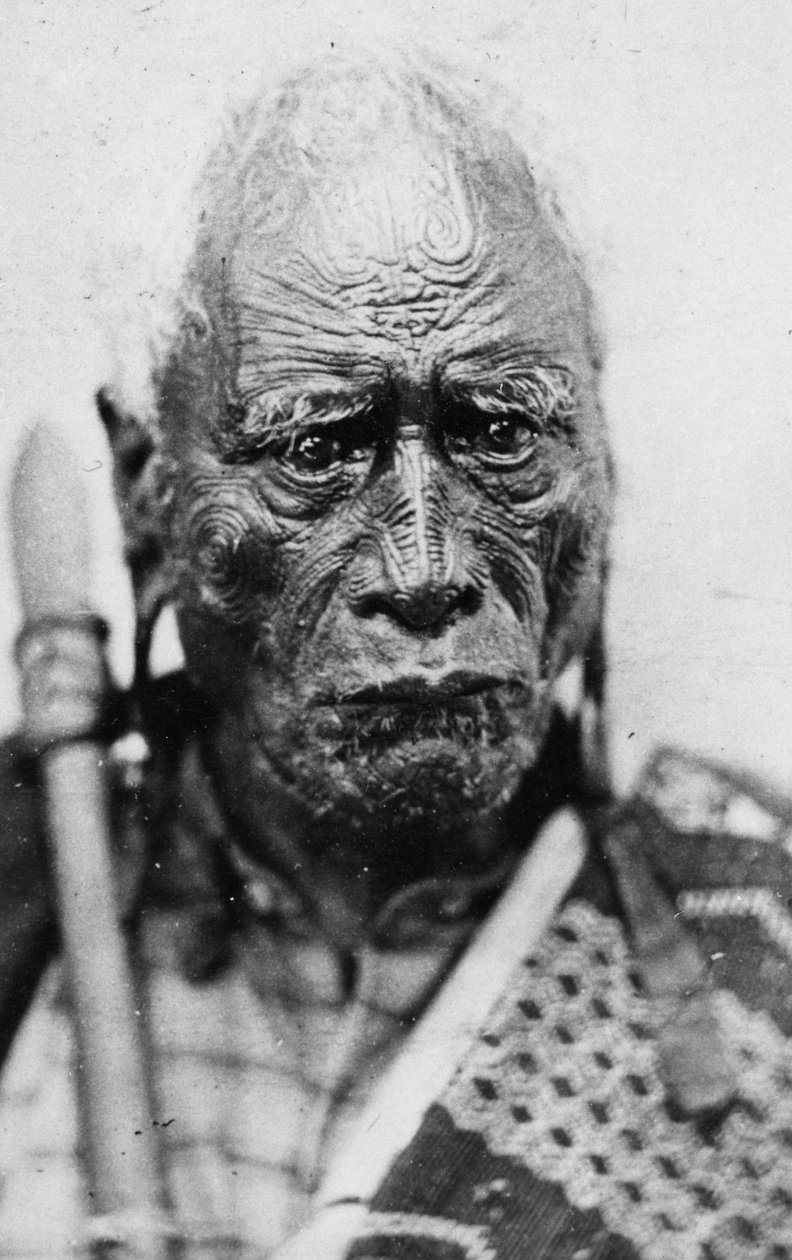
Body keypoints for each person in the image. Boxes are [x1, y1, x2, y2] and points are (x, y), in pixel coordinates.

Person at [2, 52, 792, 1260]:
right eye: (317, 448)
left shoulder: (763, 939)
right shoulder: (22, 882)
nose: (425, 569)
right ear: (145, 488)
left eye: (503, 432)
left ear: (603, 456)